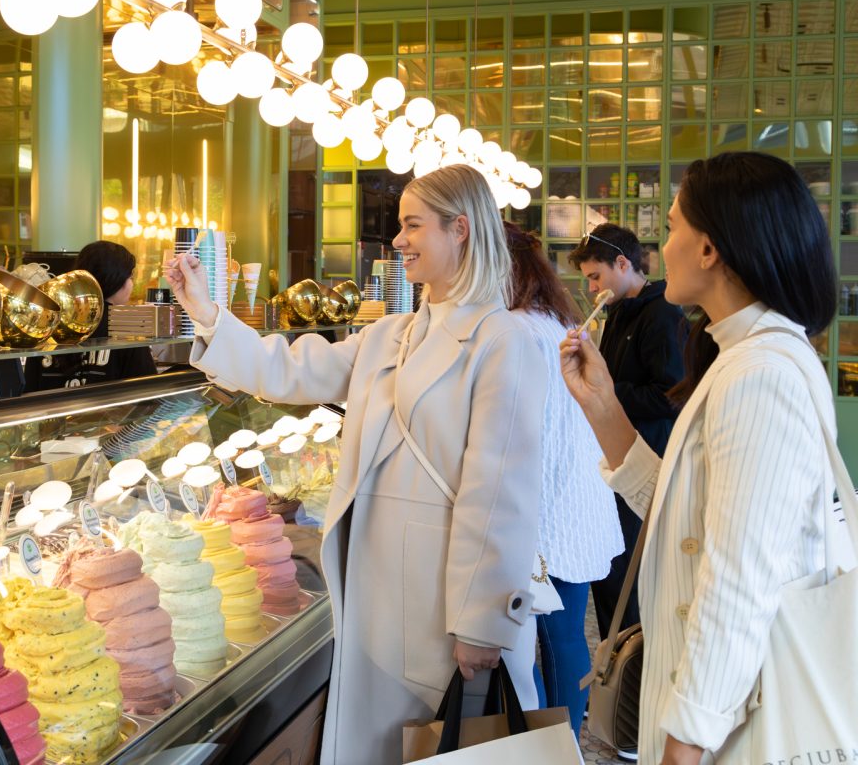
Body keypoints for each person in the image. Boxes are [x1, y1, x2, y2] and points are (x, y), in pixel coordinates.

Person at [165, 164, 545, 764]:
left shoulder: (504, 339)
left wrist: (482, 620)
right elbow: (289, 371)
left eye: (412, 226)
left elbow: (500, 491)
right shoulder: (390, 334)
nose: (397, 242)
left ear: (461, 230)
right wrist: (209, 316)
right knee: (379, 743)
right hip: (372, 586)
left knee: (443, 744)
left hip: (441, 600)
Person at [559, 151, 845, 765]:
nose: (661, 247)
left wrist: (682, 746)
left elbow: (737, 580)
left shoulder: (760, 371)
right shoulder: (736, 356)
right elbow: (686, 514)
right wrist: (604, 405)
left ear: (710, 249)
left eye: (671, 227)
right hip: (726, 714)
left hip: (741, 727)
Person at [504, 223, 623, 735]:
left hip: (550, 513)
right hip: (577, 502)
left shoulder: (516, 330)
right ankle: (565, 742)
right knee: (565, 636)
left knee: (545, 640)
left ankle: (559, 744)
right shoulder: (553, 319)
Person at [568, 223, 685, 669]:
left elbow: (670, 395)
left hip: (647, 463)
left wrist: (608, 392)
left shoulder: (664, 315)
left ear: (623, 264)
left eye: (596, 277)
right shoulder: (616, 311)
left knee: (632, 583)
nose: (592, 287)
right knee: (610, 576)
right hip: (616, 463)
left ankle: (634, 681)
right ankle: (615, 669)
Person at [25, 241, 157, 391]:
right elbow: (147, 390)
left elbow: (28, 389)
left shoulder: (48, 321)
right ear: (117, 279)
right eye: (130, 277)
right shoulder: (126, 323)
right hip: (111, 414)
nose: (131, 284)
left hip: (47, 413)